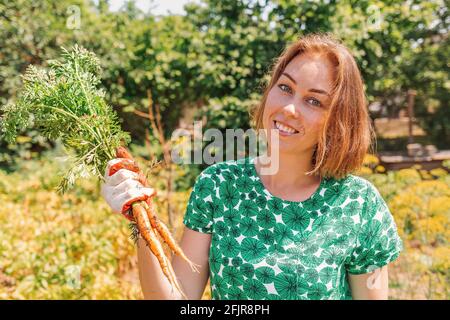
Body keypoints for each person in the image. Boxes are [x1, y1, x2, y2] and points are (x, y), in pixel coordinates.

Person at [101, 33, 403, 300]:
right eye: (285, 87)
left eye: (314, 101)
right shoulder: (219, 186)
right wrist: (141, 219)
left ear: (338, 120)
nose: (288, 109)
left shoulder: (358, 204)